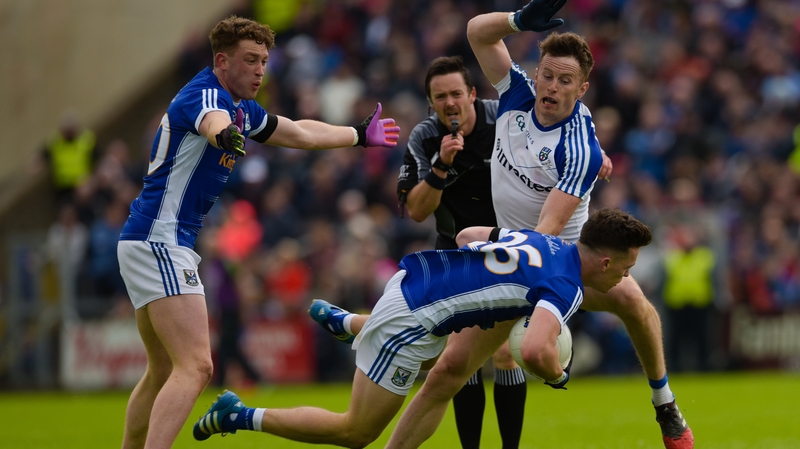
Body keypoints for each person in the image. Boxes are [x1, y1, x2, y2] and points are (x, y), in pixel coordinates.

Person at [385, 2, 694, 448]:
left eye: (564, 81)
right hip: (513, 261)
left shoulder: (578, 150)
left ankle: (664, 403)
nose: (551, 86)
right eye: (547, 75)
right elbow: (476, 32)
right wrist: (518, 21)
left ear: (581, 89)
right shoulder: (517, 94)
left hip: (567, 266)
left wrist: (490, 240)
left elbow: (545, 235)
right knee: (447, 372)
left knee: (636, 306)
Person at [116, 15, 399, 449]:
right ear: (222, 61)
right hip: (161, 240)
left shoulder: (243, 108)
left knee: (163, 371)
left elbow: (299, 132)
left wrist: (358, 135)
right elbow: (211, 122)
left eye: (264, 61)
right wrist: (225, 134)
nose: (260, 70)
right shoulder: (208, 95)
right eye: (250, 60)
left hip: (149, 239)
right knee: (196, 367)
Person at [192, 208, 654, 447]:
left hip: (414, 282)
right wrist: (558, 374)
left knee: (443, 371)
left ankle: (352, 323)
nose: (625, 278)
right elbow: (535, 352)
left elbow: (469, 237)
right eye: (626, 268)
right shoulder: (567, 285)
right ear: (605, 261)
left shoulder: (545, 242)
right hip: (409, 324)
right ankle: (239, 415)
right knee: (356, 432)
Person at [396, 55, 526, 449]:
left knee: (504, 354)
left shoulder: (503, 118)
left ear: (472, 94)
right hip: (457, 256)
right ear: (431, 103)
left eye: (456, 93)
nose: (450, 102)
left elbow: (549, 137)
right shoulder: (424, 138)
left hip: (509, 248)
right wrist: (441, 166)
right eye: (440, 97)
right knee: (460, 359)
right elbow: (417, 211)